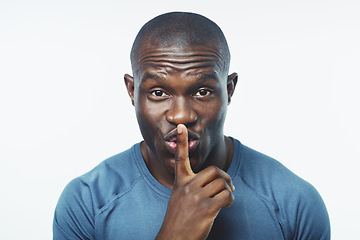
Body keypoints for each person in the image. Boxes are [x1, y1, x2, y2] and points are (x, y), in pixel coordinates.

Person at [53, 12, 330, 239]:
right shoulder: (86, 203)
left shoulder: (294, 203)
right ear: (132, 91)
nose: (181, 115)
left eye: (202, 92)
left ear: (229, 90)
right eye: (158, 93)